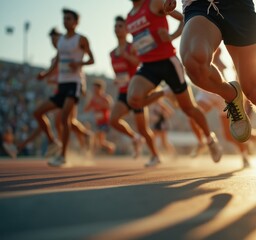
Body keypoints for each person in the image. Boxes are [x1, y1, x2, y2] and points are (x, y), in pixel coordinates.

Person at [163, 0, 256, 171]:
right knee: (194, 61)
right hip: (199, 5)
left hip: (237, 7)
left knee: (254, 92)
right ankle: (231, 94)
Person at [126, 0, 222, 165]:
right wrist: (137, 46)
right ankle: (165, 92)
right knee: (133, 99)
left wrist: (171, 36)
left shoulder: (154, 3)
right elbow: (142, 38)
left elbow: (185, 18)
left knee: (189, 108)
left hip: (168, 63)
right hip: (148, 65)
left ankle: (209, 139)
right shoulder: (130, 16)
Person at [33, 8, 94, 167]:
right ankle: (53, 142)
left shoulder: (81, 39)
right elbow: (56, 62)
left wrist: (79, 63)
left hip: (74, 83)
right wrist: (45, 74)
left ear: (75, 22)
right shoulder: (60, 41)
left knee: (65, 118)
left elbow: (92, 59)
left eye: (68, 19)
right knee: (37, 112)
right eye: (64, 19)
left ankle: (63, 156)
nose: (65, 21)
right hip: (62, 84)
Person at [18, 28, 91, 155]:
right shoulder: (55, 59)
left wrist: (82, 87)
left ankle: (66, 148)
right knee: (62, 121)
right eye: (51, 39)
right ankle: (67, 143)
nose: (53, 41)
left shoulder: (71, 52)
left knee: (63, 120)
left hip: (73, 90)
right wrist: (46, 76)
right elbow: (54, 74)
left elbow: (79, 72)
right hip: (61, 91)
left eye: (55, 38)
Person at [109, 16, 160, 162]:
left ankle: (155, 155)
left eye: (120, 26)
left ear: (126, 30)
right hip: (123, 92)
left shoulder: (132, 47)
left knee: (143, 128)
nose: (117, 29)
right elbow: (118, 71)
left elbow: (138, 62)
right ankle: (135, 138)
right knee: (113, 120)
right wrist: (117, 80)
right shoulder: (112, 53)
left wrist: (126, 56)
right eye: (115, 26)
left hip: (136, 92)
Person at [189, 47, 251, 168]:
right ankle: (203, 142)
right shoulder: (195, 46)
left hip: (220, 92)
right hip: (206, 92)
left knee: (228, 135)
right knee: (192, 115)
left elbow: (220, 53)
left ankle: (244, 154)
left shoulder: (217, 53)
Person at [84, 79, 116, 154]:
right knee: (100, 142)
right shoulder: (93, 99)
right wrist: (88, 100)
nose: (94, 90)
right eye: (93, 89)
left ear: (100, 89)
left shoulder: (105, 98)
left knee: (97, 136)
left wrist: (100, 105)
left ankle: (91, 154)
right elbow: (86, 109)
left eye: (95, 88)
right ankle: (110, 147)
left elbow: (110, 106)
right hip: (98, 122)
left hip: (105, 122)